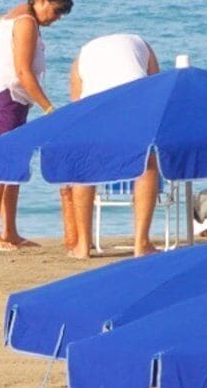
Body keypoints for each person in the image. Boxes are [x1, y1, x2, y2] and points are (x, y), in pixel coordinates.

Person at [0, 0, 70, 251]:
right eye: (56, 11)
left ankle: (10, 231)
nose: (57, 18)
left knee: (14, 164)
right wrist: (48, 108)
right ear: (42, 0)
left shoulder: (16, 15)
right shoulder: (26, 22)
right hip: (2, 98)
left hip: (7, 98)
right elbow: (23, 72)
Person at [56, 29, 160, 257]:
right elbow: (156, 91)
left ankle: (83, 246)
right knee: (146, 163)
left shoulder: (82, 56)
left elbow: (76, 105)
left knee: (85, 169)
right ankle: (141, 243)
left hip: (94, 105)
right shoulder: (141, 44)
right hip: (133, 96)